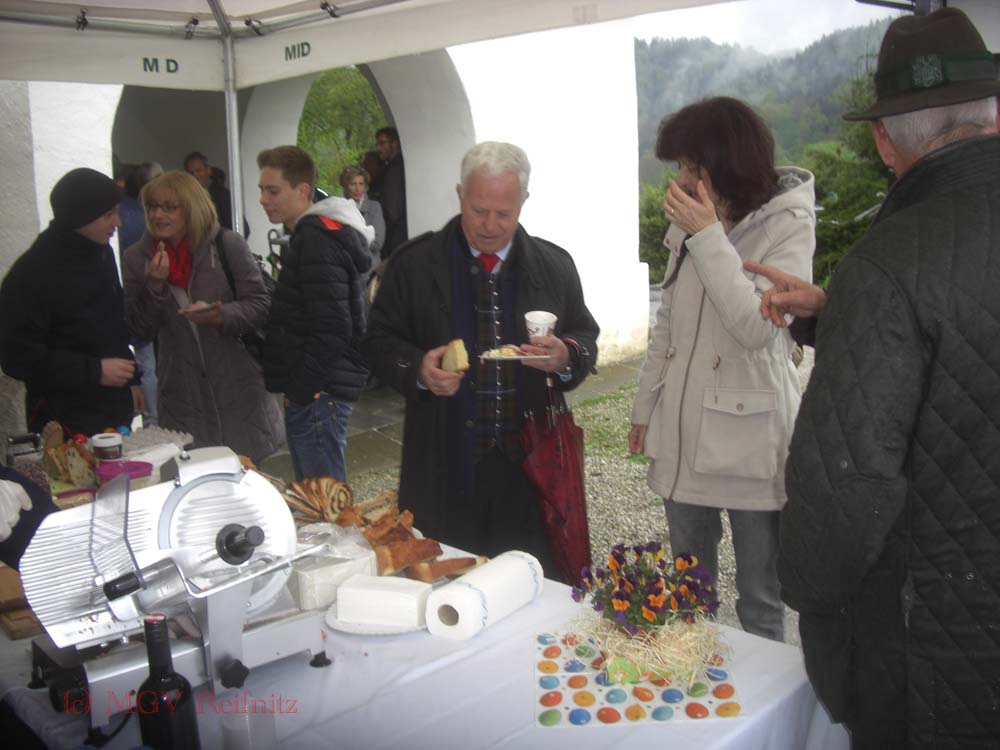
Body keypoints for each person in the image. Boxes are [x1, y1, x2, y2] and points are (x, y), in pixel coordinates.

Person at [776, 9, 1000, 748]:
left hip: (944, 647)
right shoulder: (885, 279)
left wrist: (810, 596)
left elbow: (846, 488)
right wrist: (841, 317)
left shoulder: (889, 262)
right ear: (995, 111)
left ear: (883, 140)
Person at [361, 141, 599, 576]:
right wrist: (419, 370)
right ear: (460, 196)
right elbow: (377, 341)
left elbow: (584, 335)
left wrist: (566, 356)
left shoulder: (554, 265)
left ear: (523, 202)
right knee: (443, 583)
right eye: (478, 210)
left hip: (531, 473)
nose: (490, 225)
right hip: (443, 466)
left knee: (530, 583)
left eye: (503, 213)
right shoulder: (414, 265)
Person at [628, 97, 816, 642]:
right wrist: (644, 407)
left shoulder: (787, 223)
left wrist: (708, 234)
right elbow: (667, 323)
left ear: (724, 163)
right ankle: (693, 681)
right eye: (680, 166)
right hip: (684, 429)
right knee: (689, 593)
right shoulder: (691, 218)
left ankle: (766, 694)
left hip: (750, 435)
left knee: (760, 598)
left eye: (691, 166)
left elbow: (757, 327)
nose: (682, 180)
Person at [122, 171, 281, 464]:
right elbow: (140, 329)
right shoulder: (137, 258)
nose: (158, 215)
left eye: (169, 207)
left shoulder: (227, 245)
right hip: (182, 394)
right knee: (195, 476)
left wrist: (222, 315)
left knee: (248, 474)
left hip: (237, 386)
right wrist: (154, 286)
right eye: (152, 207)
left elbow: (260, 304)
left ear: (191, 208)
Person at [257, 146, 375, 482]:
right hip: (321, 387)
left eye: (273, 191)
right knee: (321, 495)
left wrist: (302, 391)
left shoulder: (316, 239)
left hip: (320, 391)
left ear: (303, 190)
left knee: (322, 500)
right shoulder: (315, 234)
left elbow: (333, 328)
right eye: (262, 190)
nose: (264, 199)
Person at [0, 167, 142, 435]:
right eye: (108, 215)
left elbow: (113, 325)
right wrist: (94, 371)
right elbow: (16, 356)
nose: (118, 223)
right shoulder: (32, 273)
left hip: (112, 411)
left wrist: (132, 380)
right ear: (81, 217)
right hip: (62, 420)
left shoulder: (101, 254)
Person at [183, 150, 249, 238]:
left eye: (198, 170)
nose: (195, 176)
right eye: (190, 173)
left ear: (208, 171)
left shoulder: (222, 196)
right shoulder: (185, 200)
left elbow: (243, 230)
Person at [369, 127, 407, 258]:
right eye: (377, 144)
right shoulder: (399, 166)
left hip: (394, 239)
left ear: (395, 144)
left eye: (382, 143)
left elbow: (391, 210)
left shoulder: (394, 170)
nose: (378, 149)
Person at [340, 165, 385, 266]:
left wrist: (348, 241)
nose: (357, 189)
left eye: (361, 184)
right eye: (353, 184)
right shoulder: (337, 208)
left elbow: (377, 243)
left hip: (370, 267)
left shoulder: (374, 208)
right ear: (345, 186)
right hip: (345, 267)